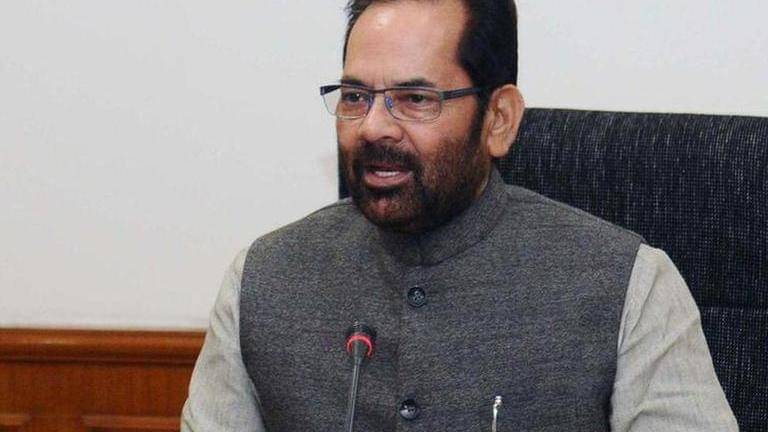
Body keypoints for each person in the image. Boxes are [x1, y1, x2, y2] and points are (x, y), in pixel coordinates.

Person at [181, 0, 738, 430]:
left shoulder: (631, 285)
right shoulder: (262, 280)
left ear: (498, 119)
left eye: (415, 99)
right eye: (355, 96)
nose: (374, 126)